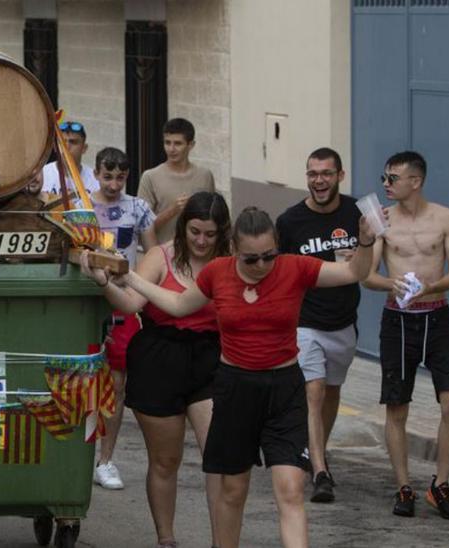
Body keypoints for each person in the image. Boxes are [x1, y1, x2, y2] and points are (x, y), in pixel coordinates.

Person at [106, 206, 375, 548]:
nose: (262, 265)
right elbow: (176, 305)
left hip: (284, 389)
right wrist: (128, 277)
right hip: (235, 388)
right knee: (232, 490)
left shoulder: (295, 268)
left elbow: (354, 270)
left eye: (268, 256)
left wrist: (365, 241)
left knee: (291, 489)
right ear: (234, 249)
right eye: (251, 259)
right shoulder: (218, 273)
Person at [81, 191, 229, 548]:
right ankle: (166, 538)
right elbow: (132, 301)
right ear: (183, 228)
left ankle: (222, 541)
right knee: (166, 460)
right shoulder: (160, 256)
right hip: (160, 356)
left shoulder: (228, 260)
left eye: (210, 234)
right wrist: (104, 284)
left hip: (210, 357)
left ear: (221, 232)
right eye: (195, 232)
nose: (201, 241)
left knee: (219, 456)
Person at [362, 150, 449, 520]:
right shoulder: (381, 220)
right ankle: (404, 486)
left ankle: (440, 484)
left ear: (415, 182)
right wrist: (394, 283)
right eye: (384, 178)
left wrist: (430, 286)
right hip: (398, 320)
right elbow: (367, 274)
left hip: (437, 316)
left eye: (392, 178)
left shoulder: (445, 217)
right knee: (397, 406)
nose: (386, 185)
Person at [274, 147, 363, 504]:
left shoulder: (357, 212)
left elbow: (383, 246)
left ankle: (315, 452)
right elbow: (278, 272)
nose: (319, 180)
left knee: (332, 391)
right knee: (314, 391)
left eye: (326, 173)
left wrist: (366, 254)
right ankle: (322, 472)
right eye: (312, 174)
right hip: (305, 321)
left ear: (340, 176)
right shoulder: (290, 221)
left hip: (343, 322)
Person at [77, 147, 157, 491]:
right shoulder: (81, 209)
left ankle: (105, 460)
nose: (113, 184)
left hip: (122, 303)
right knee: (79, 382)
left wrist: (142, 295)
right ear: (95, 173)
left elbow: (153, 254)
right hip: (84, 303)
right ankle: (76, 456)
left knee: (118, 385)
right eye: (107, 176)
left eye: (120, 177)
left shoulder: (138, 208)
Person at [138, 118, 216, 244]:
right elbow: (143, 229)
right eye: (167, 143)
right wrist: (172, 210)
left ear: (191, 145)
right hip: (164, 254)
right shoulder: (150, 177)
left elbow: (214, 218)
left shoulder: (205, 176)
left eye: (178, 144)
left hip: (199, 252)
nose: (171, 149)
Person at [39, 121, 100, 197]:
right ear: (55, 147)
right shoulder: (42, 175)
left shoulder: (95, 180)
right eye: (62, 142)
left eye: (73, 142)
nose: (67, 147)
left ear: (84, 148)